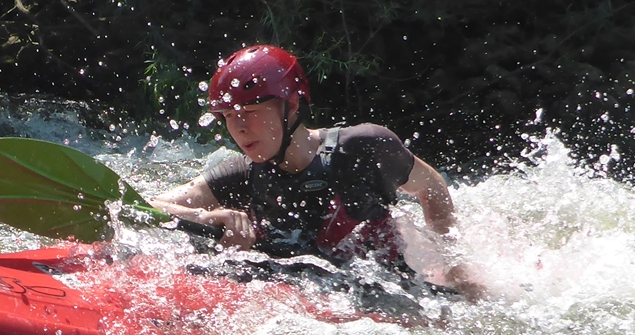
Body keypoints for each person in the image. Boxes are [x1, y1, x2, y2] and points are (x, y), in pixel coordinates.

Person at [153, 44, 484, 298]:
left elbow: (431, 186)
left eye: (249, 112)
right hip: (305, 302)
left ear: (291, 105)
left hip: (388, 294)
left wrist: (455, 268)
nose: (238, 128)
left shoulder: (363, 148)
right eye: (228, 116)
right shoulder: (241, 173)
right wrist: (208, 217)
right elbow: (149, 206)